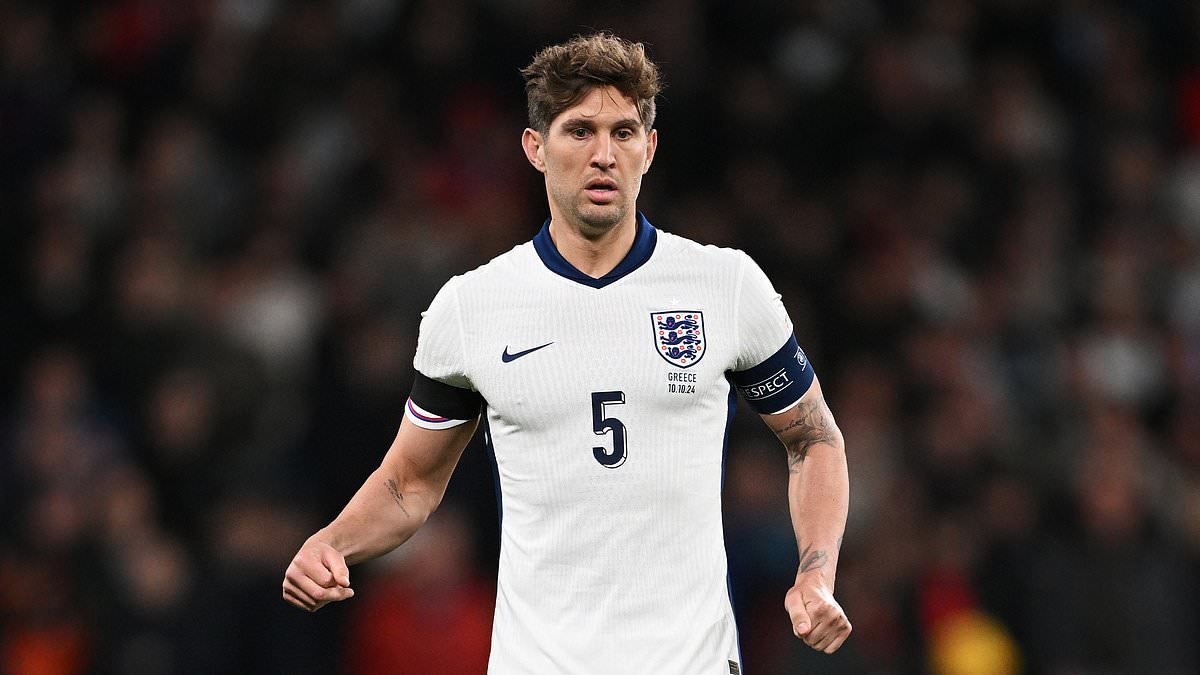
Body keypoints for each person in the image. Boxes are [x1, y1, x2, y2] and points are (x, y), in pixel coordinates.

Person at [282, 33, 851, 673]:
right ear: (535, 148)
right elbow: (409, 483)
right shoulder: (471, 308)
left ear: (650, 149)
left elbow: (813, 441)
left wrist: (816, 572)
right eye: (580, 131)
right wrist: (331, 543)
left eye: (624, 132)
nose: (604, 154)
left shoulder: (726, 286)